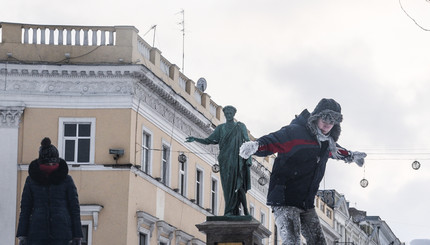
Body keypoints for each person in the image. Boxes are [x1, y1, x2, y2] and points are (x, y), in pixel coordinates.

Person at [239, 98, 366, 245]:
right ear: (316, 116)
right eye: (325, 118)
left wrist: (351, 155)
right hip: (285, 198)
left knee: (318, 242)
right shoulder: (297, 132)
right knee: (292, 241)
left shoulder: (327, 142)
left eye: (332, 121)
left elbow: (335, 150)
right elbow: (275, 139)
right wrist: (256, 145)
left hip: (306, 202)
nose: (327, 124)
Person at [186, 105, 252, 216]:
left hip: (237, 160)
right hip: (225, 160)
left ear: (234, 114)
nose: (229, 115)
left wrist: (248, 158)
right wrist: (195, 139)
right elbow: (209, 140)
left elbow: (247, 142)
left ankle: (245, 210)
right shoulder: (221, 128)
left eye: (231, 113)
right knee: (227, 187)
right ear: (224, 115)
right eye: (227, 113)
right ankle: (230, 210)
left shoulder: (240, 127)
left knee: (239, 185)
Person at [16, 137, 83, 245]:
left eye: (54, 164)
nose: (51, 167)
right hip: (37, 233)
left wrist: (77, 235)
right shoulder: (31, 181)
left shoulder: (66, 180)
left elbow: (74, 209)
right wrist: (22, 235)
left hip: (62, 233)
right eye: (48, 164)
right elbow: (25, 209)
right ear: (41, 164)